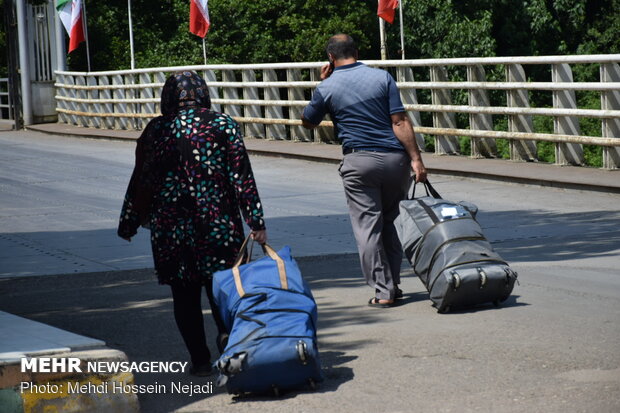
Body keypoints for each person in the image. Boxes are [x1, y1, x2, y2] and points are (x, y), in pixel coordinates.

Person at [118, 71, 267, 376]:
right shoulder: (223, 125)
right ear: (203, 93)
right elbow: (242, 178)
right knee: (223, 290)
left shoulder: (157, 129)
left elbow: (142, 181)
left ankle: (199, 360)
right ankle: (229, 347)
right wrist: (256, 221)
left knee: (184, 296)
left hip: (172, 230)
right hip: (218, 225)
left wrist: (129, 222)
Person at [301, 34, 427, 308]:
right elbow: (400, 121)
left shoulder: (328, 86)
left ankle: (384, 292)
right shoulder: (382, 78)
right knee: (391, 222)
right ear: (356, 52)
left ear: (331, 59)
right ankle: (394, 284)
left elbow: (308, 121)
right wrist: (416, 160)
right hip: (395, 161)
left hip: (359, 162)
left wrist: (323, 82)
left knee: (367, 228)